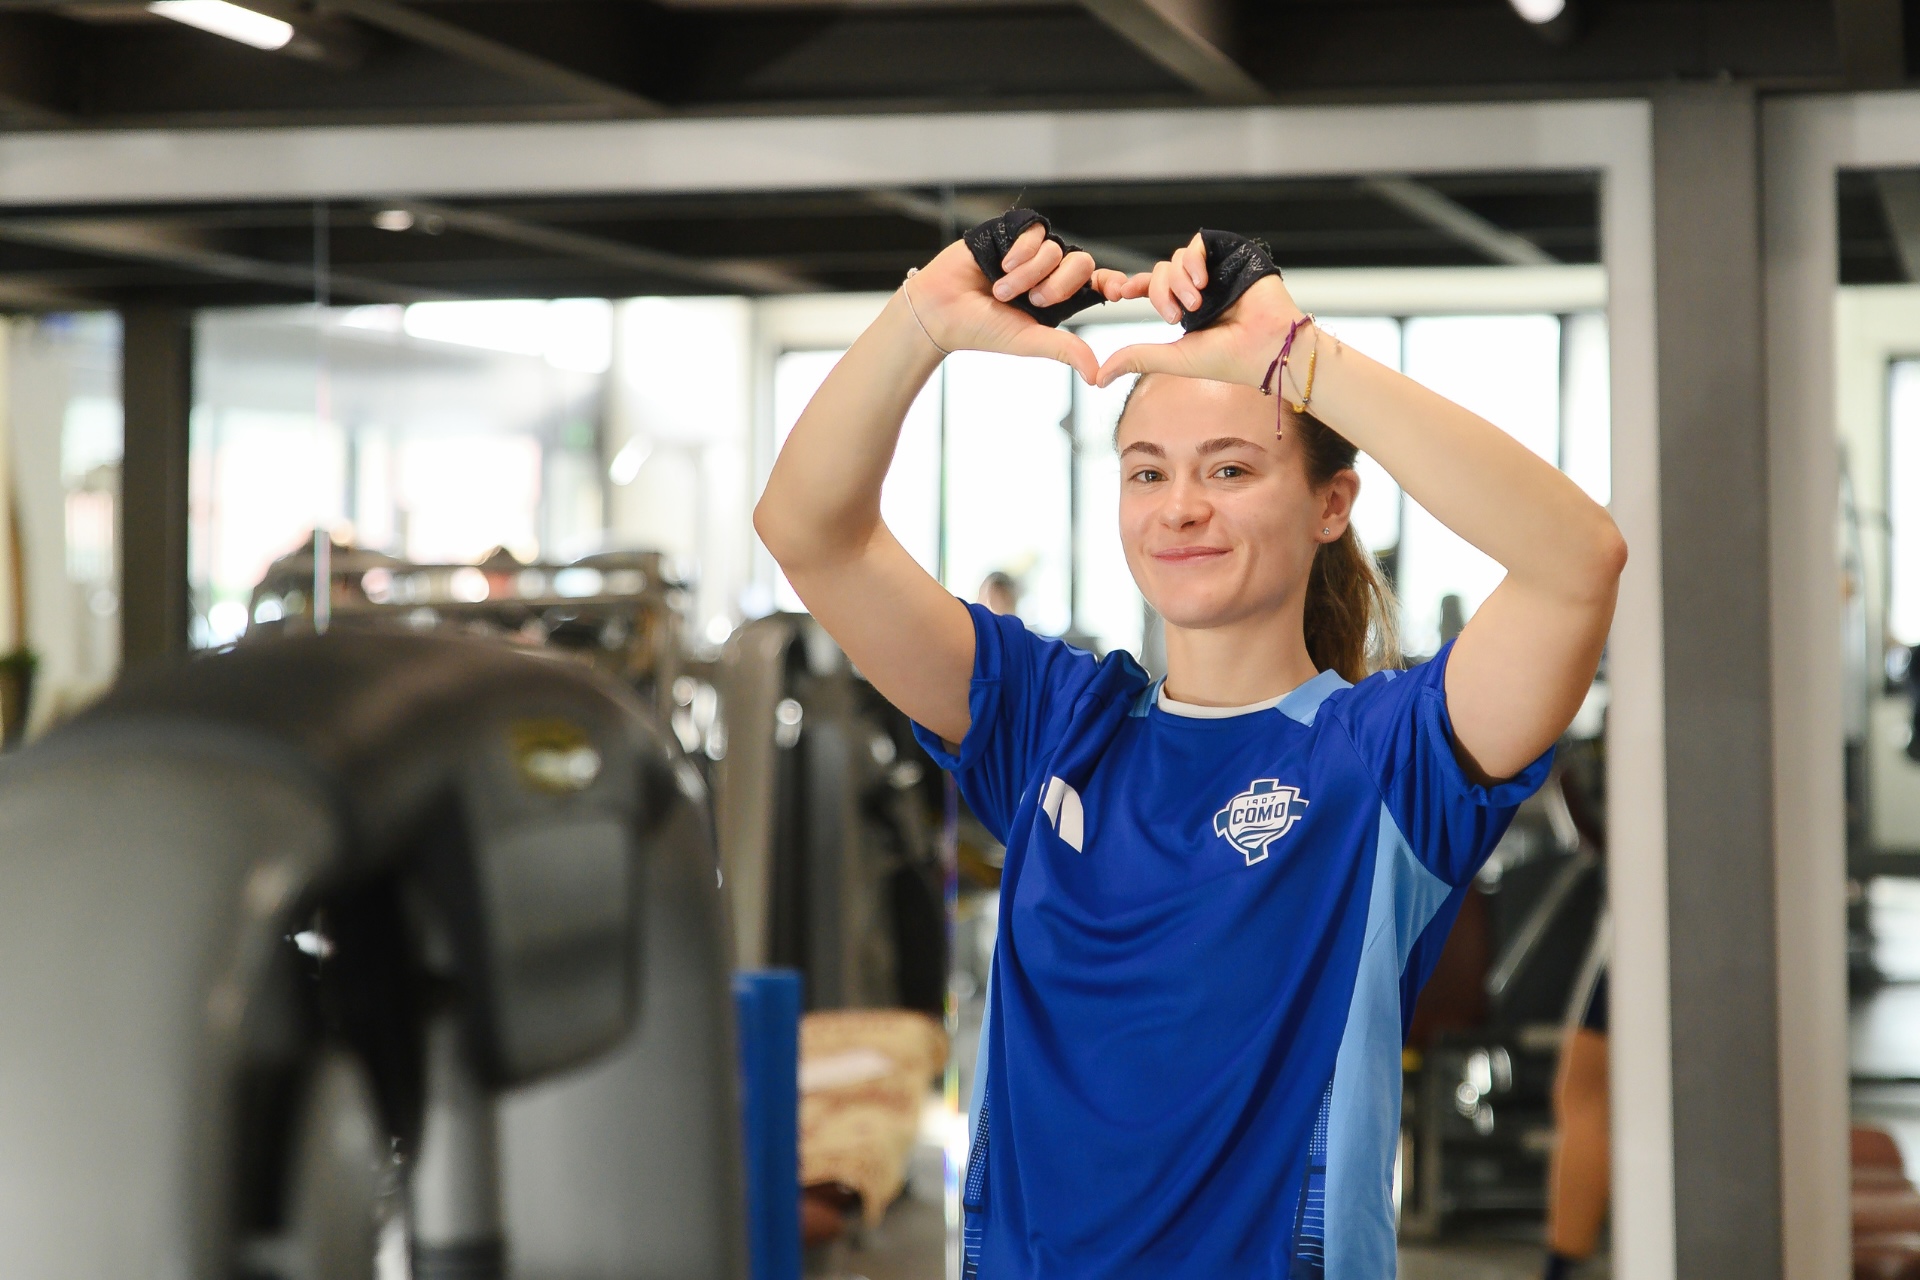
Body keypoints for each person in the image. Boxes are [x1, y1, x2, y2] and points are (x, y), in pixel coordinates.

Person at [755, 215, 1625, 1279]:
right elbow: (811, 531)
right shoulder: (1054, 724)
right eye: (1146, 473)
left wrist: (1301, 358)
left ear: (1331, 503)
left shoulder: (1384, 762)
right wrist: (922, 322)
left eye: (1230, 469)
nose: (1180, 510)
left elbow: (1577, 562)